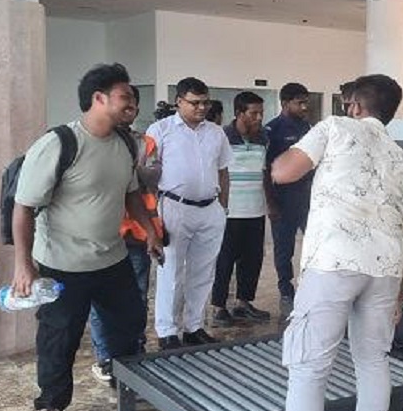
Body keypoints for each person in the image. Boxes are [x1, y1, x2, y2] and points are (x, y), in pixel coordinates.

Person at [272, 74, 403, 411]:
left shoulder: (335, 128)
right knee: (373, 360)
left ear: (354, 105)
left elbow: (283, 172)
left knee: (309, 369)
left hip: (334, 262)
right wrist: (400, 294)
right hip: (385, 268)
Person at [12, 63, 162, 411]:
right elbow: (23, 207)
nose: (132, 103)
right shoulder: (59, 143)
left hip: (112, 259)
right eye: (125, 96)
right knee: (59, 336)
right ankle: (50, 405)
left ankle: (127, 384)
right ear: (99, 98)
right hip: (62, 263)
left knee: (128, 325)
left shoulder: (125, 144)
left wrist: (149, 231)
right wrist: (23, 264)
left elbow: (131, 194)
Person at [147, 77, 232, 349]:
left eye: (205, 102)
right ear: (179, 102)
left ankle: (194, 327)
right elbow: (147, 174)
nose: (201, 108)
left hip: (210, 209)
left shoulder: (216, 133)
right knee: (171, 271)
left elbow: (223, 171)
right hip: (174, 208)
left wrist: (222, 207)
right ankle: (167, 332)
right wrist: (152, 216)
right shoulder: (160, 130)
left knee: (203, 272)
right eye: (195, 103)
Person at [89, 86, 163, 383]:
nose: (129, 108)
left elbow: (153, 177)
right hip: (102, 234)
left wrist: (127, 163)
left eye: (133, 104)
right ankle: (105, 357)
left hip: (137, 234)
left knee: (137, 295)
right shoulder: (93, 141)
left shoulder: (145, 142)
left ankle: (135, 349)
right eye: (124, 102)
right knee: (101, 299)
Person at [210, 91, 271, 327]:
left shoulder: (263, 137)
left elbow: (265, 172)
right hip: (230, 211)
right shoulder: (223, 137)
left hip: (255, 209)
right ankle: (219, 306)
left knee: (253, 259)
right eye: (253, 113)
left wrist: (270, 203)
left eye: (261, 113)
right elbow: (215, 172)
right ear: (239, 113)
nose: (259, 118)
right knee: (225, 260)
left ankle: (243, 303)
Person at [265, 82, 312, 318]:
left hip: (307, 198)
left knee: (315, 243)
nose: (304, 107)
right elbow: (266, 169)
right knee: (284, 249)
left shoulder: (307, 127)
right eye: (299, 103)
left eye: (306, 102)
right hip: (283, 199)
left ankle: (311, 286)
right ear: (285, 103)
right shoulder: (272, 130)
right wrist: (271, 203)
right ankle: (286, 290)